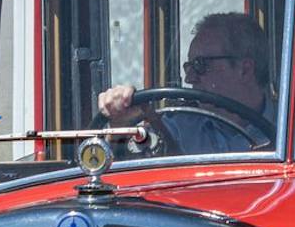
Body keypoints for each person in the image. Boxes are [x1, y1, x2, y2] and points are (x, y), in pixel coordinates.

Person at [98, 12, 276, 156]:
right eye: (188, 66)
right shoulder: (177, 128)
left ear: (244, 69)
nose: (189, 79)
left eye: (200, 65)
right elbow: (131, 164)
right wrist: (120, 126)